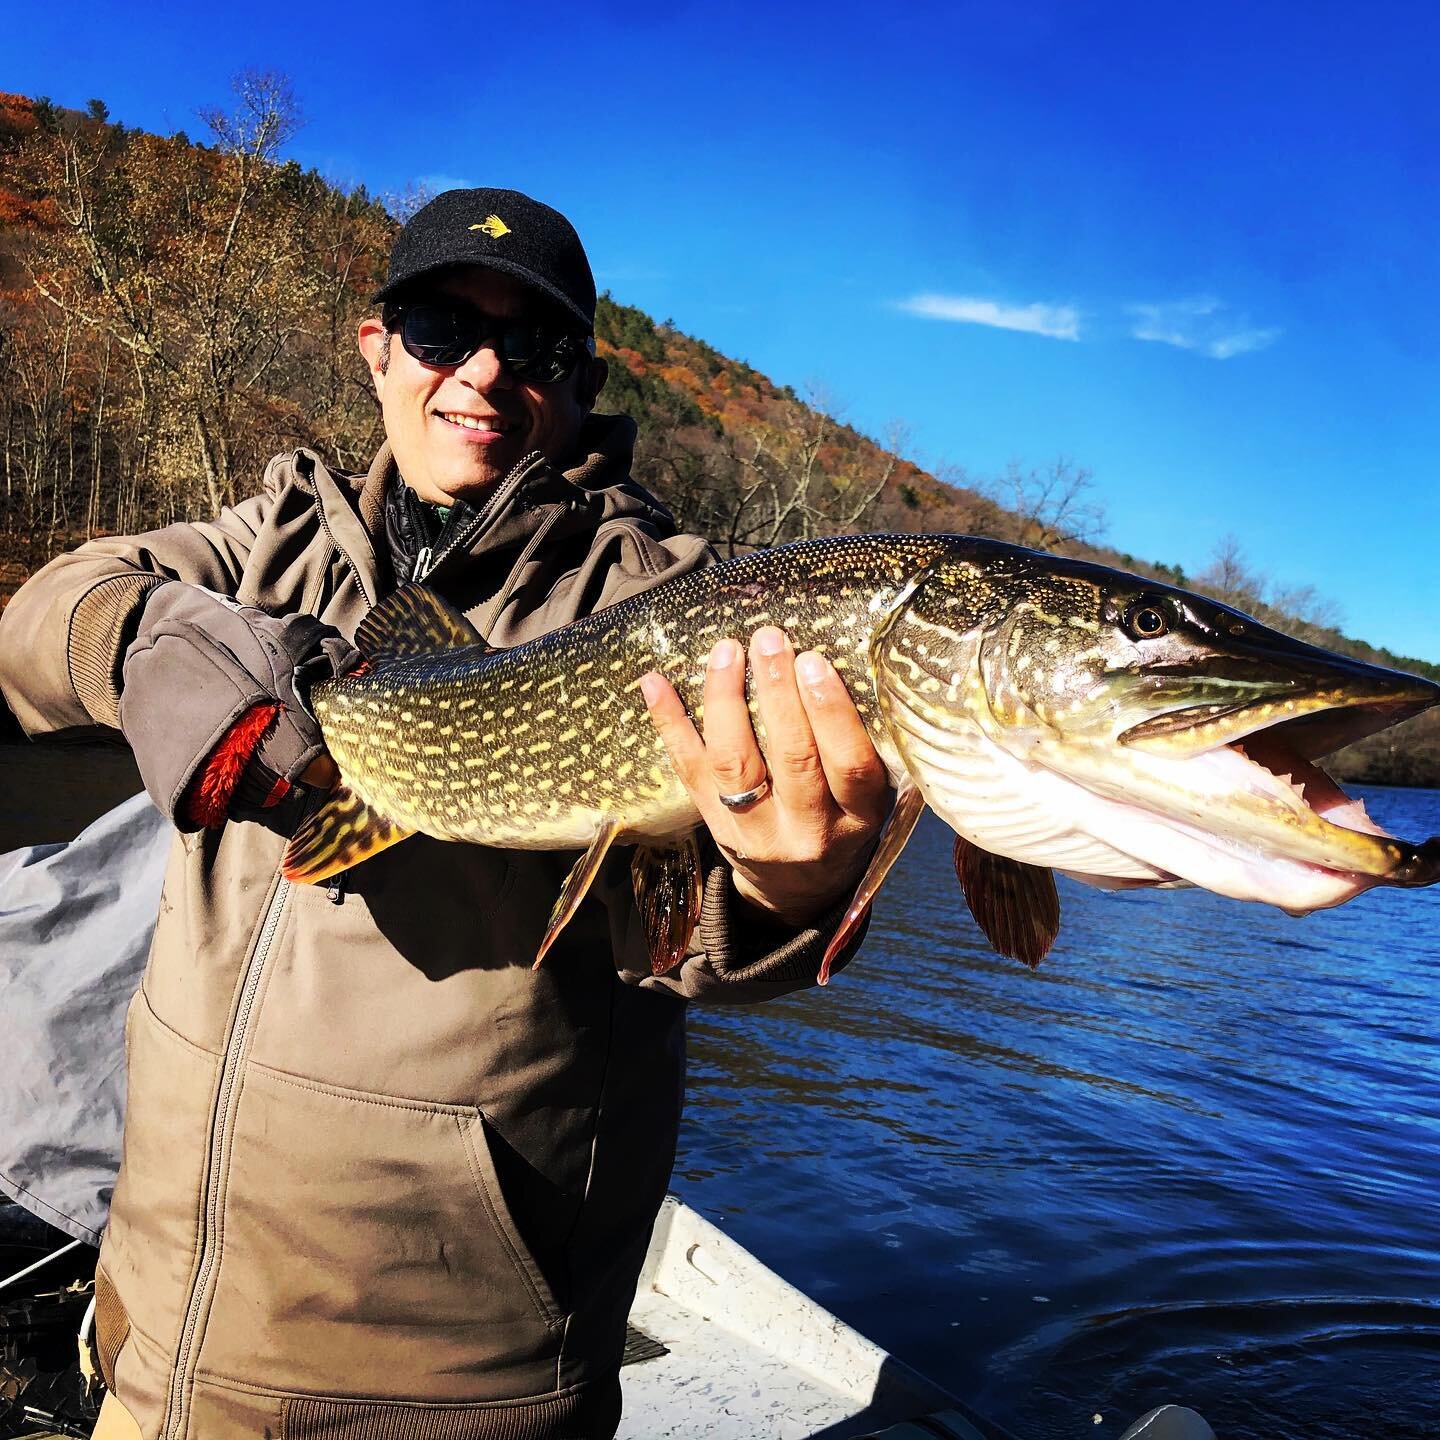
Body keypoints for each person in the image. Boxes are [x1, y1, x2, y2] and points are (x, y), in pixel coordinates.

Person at [0, 188, 890, 1440]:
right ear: (377, 349)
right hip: (155, 1335)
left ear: (578, 383)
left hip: (442, 1394)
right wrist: (153, 637)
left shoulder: (668, 606)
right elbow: (44, 618)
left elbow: (695, 942)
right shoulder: (270, 543)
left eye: (532, 346)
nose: (483, 370)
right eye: (439, 328)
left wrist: (791, 891)